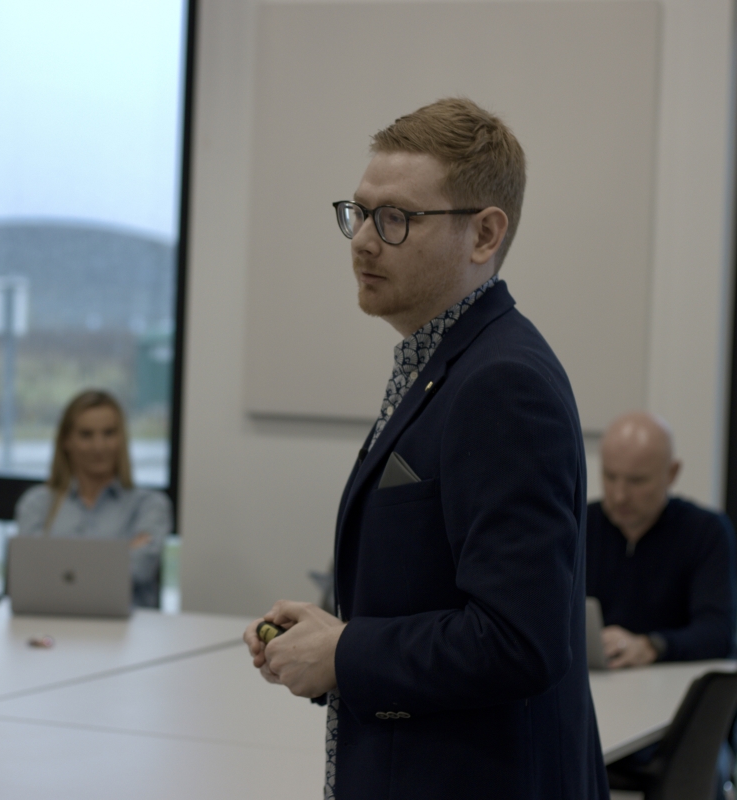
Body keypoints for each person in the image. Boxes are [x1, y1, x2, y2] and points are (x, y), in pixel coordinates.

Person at [242, 98, 608, 800]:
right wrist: (327, 641)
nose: (363, 241)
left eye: (397, 219)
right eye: (359, 211)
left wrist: (347, 653)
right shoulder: (448, 363)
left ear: (484, 235)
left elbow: (517, 641)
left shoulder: (501, 383)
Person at [587, 411, 737, 668]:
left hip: (675, 688)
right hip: (600, 684)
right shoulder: (581, 524)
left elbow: (717, 633)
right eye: (610, 477)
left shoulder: (705, 531)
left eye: (637, 481)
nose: (620, 495)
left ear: (671, 473)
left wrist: (651, 646)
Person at [15, 390, 171, 608]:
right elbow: (31, 574)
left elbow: (139, 570)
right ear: (67, 441)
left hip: (128, 635)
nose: (99, 446)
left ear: (122, 439)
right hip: (54, 626)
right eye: (86, 435)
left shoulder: (149, 505)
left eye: (109, 433)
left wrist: (63, 569)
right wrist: (123, 552)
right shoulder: (37, 504)